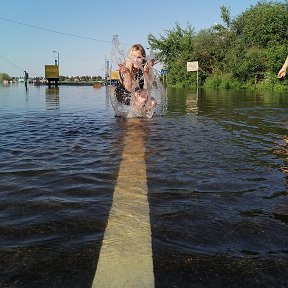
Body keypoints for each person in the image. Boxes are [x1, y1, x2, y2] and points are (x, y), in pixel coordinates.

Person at [115, 44, 157, 109]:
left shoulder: (144, 66)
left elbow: (148, 86)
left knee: (153, 103)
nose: (136, 60)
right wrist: (126, 74)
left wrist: (146, 72)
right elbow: (129, 88)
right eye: (133, 57)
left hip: (136, 92)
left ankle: (144, 118)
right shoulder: (125, 68)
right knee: (142, 100)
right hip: (123, 93)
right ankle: (135, 118)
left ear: (143, 58)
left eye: (139, 57)